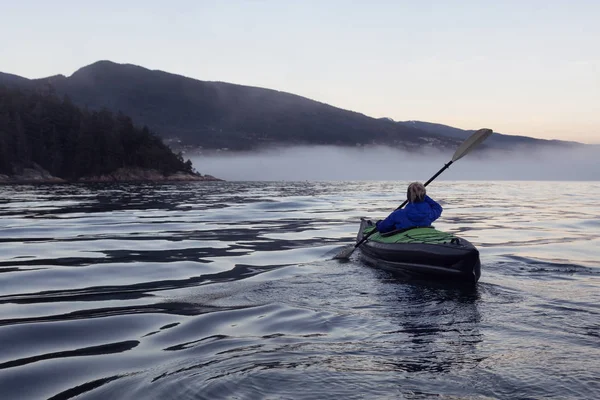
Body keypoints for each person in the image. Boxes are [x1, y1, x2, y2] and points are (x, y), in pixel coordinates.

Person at [375, 182, 443, 233]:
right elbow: (438, 207)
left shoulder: (398, 214)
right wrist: (422, 195)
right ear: (424, 195)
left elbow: (382, 228)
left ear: (408, 196)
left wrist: (378, 223)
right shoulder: (430, 214)